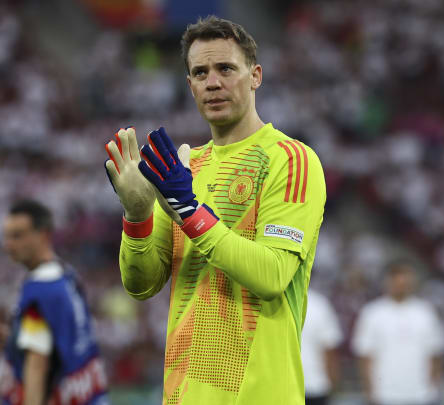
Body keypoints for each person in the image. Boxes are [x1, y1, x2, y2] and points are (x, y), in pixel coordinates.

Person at [103, 15, 326, 404]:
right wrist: (137, 215)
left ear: (255, 75)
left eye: (226, 68)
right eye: (200, 72)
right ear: (190, 86)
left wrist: (188, 210)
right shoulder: (184, 168)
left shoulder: (290, 159)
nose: (213, 82)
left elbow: (272, 275)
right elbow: (141, 286)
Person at [0, 200, 108, 405]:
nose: (8, 245)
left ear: (43, 234)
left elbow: (37, 363)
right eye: (7, 236)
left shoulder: (41, 290)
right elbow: (51, 341)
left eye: (17, 235)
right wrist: (10, 338)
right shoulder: (65, 276)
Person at [352, 261, 444, 405]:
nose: (401, 286)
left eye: (405, 281)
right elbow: (365, 356)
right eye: (396, 281)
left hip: (421, 395)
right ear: (387, 282)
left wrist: (433, 386)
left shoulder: (426, 312)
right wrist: (369, 391)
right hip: (384, 395)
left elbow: (436, 353)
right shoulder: (372, 313)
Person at [301, 288, 343, 405]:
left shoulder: (271, 299)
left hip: (310, 384)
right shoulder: (319, 304)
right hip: (316, 383)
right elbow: (330, 348)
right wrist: (333, 381)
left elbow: (330, 348)